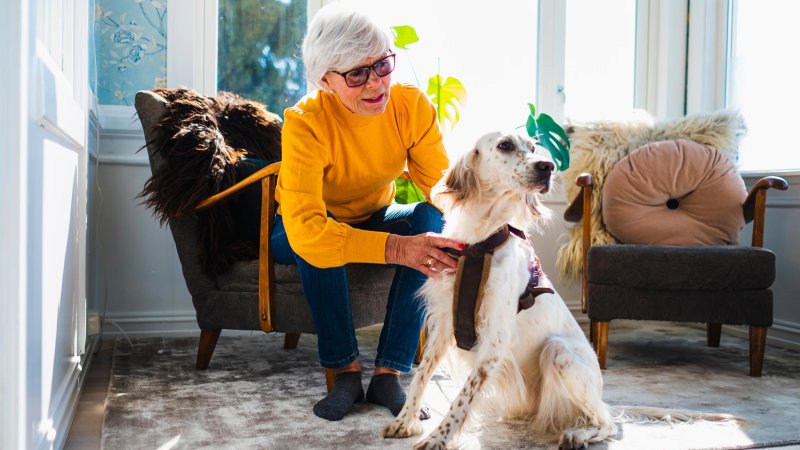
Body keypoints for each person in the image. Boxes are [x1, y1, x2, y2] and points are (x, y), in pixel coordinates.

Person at [272, 4, 464, 422]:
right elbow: (307, 228)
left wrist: (480, 228)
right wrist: (398, 248)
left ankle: (388, 374)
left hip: (374, 214)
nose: (376, 83)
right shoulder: (305, 123)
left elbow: (441, 189)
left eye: (381, 65)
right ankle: (344, 373)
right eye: (357, 74)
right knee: (319, 242)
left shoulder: (410, 106)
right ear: (325, 80)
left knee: (429, 219)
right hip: (297, 227)